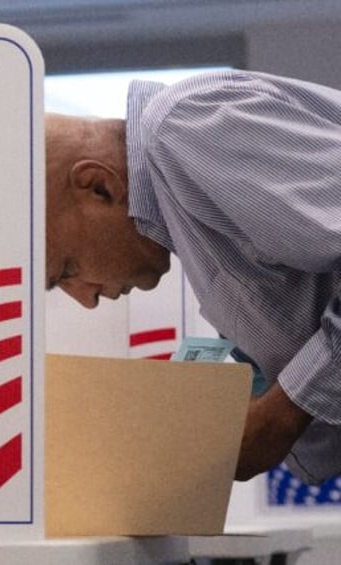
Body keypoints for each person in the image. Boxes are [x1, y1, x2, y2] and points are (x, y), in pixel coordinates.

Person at [45, 68, 341, 485]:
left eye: (67, 271)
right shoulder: (193, 223)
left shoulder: (185, 127)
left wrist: (284, 411)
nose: (85, 298)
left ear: (99, 187)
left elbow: (287, 416)